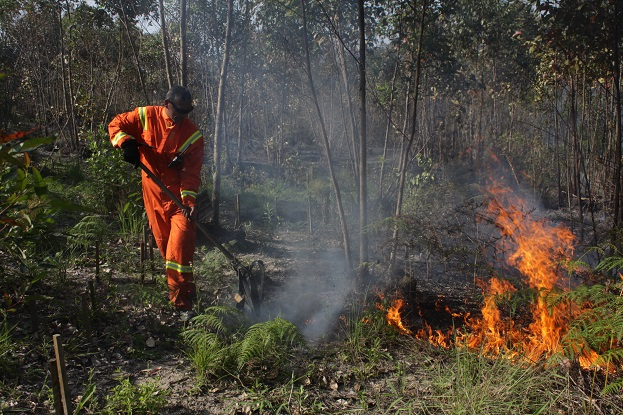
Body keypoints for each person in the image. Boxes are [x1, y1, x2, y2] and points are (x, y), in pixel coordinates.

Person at [108, 86, 204, 320]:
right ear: (167, 104)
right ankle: (185, 293)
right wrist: (126, 144)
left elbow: (191, 173)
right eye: (179, 111)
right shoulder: (146, 116)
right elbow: (116, 124)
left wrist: (189, 202)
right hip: (152, 195)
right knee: (165, 249)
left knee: (179, 250)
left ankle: (184, 306)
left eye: (186, 112)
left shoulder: (193, 135)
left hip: (177, 200)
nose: (182, 117)